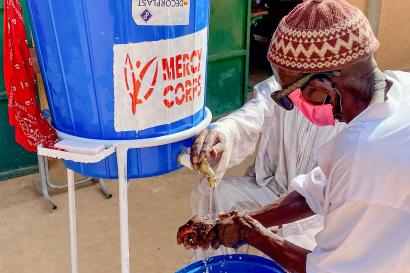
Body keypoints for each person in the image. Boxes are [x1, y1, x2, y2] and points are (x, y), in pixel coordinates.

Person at [177, 0, 410, 272]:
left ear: (318, 87)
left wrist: (253, 235)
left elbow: (324, 268)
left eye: (289, 96)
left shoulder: (366, 155)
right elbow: (315, 190)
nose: (292, 106)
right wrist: (242, 222)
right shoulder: (397, 88)